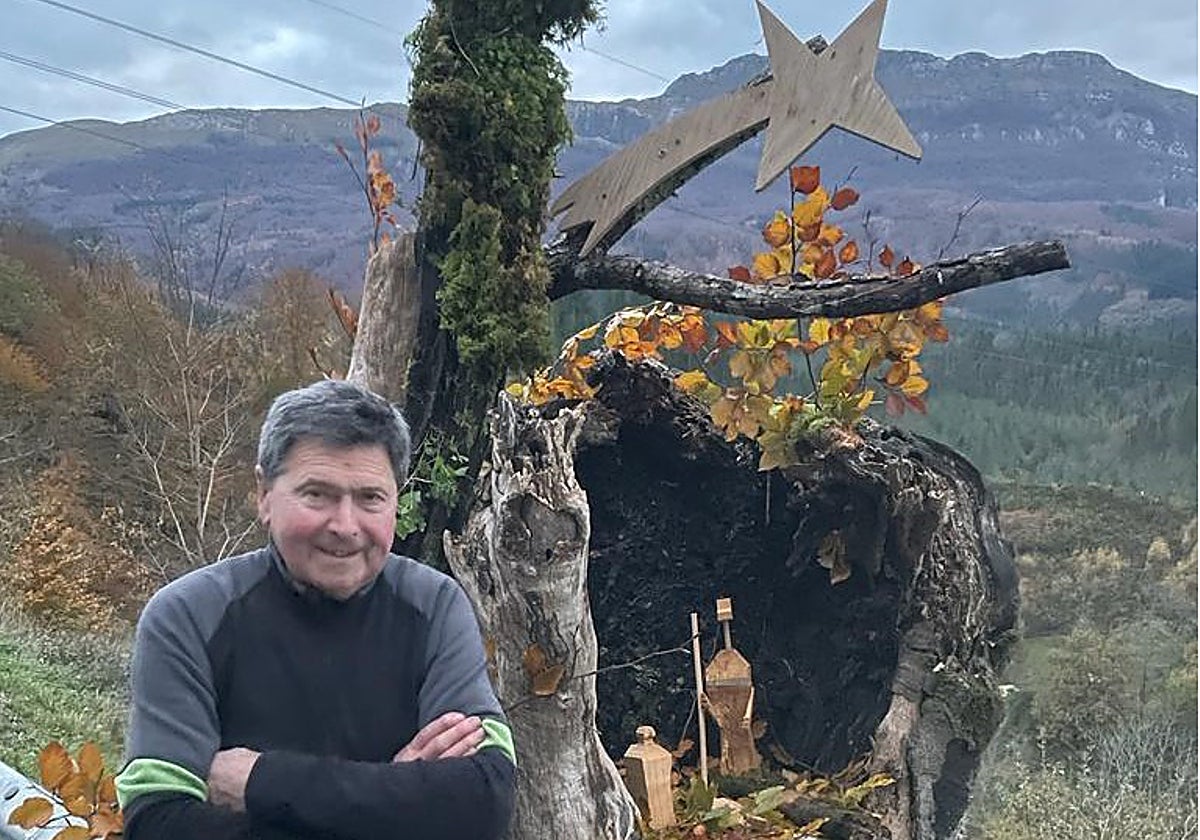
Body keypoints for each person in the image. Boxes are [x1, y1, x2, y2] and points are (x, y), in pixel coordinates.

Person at [114, 379, 516, 839]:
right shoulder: (188, 616)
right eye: (317, 494)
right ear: (264, 495)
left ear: (396, 500)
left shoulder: (435, 605)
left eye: (370, 498)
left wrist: (263, 782)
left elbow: (484, 802)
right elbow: (158, 825)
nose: (345, 526)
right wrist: (396, 801)